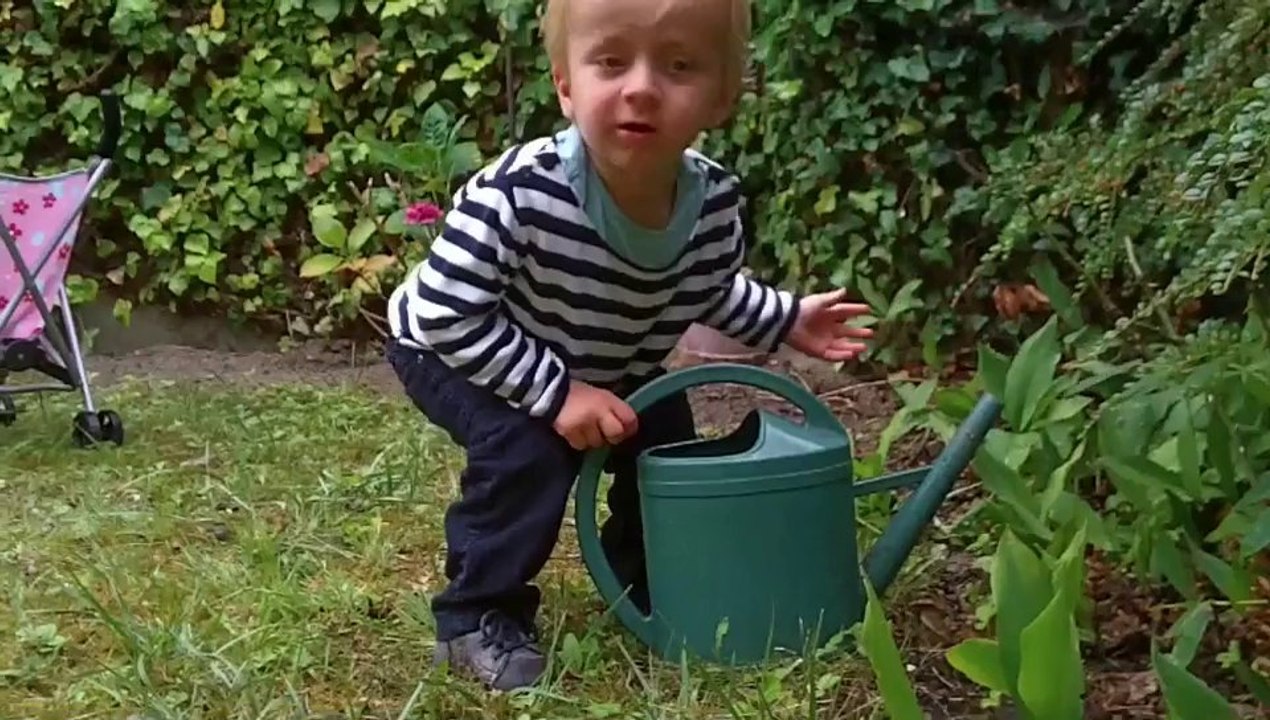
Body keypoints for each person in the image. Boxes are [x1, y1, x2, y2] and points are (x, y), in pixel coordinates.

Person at [383, 0, 874, 692]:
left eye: (679, 65)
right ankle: (475, 614)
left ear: (723, 96)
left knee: (665, 443)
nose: (641, 87)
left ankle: (650, 577)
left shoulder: (712, 203)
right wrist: (556, 396)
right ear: (565, 84)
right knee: (526, 448)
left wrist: (786, 318)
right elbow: (444, 314)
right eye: (610, 62)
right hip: (458, 347)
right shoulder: (521, 194)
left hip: (600, 359)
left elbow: (709, 288)